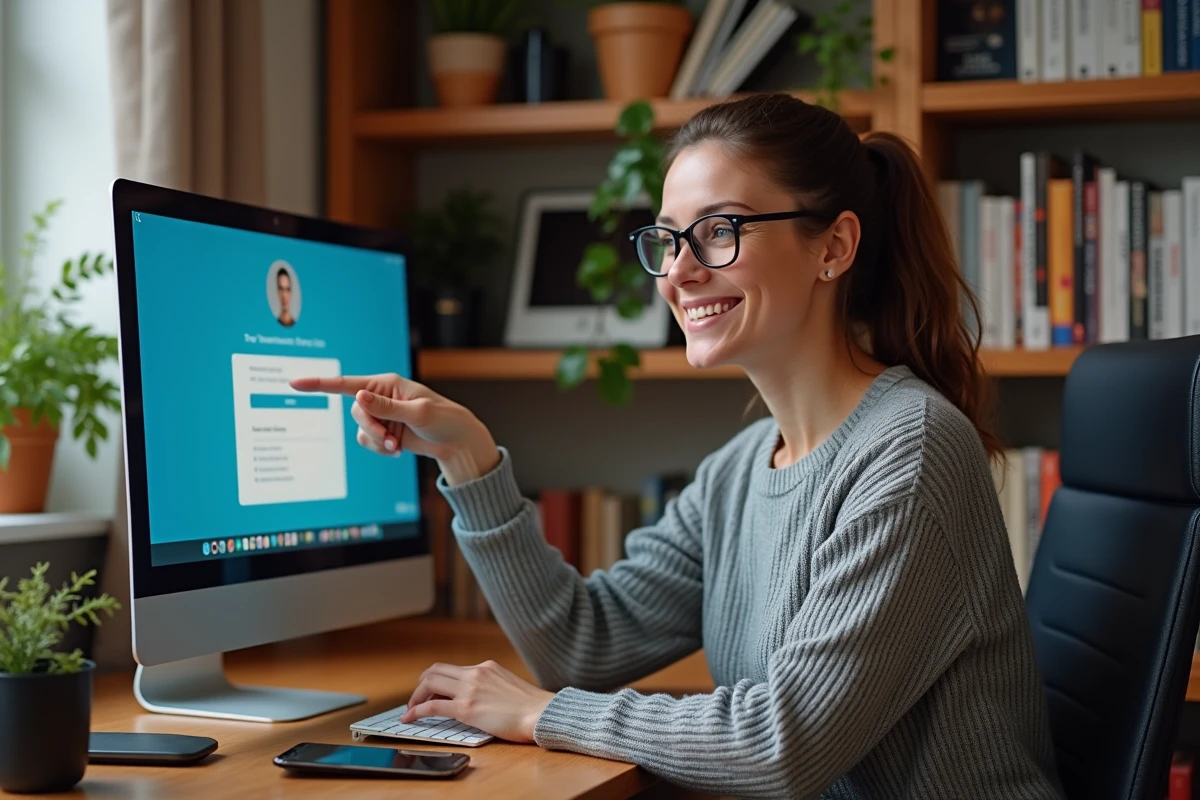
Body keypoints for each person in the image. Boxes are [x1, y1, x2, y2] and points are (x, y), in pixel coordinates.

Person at [291, 93, 1064, 798]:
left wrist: (541, 714)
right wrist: (467, 456)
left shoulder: (912, 449)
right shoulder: (741, 469)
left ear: (834, 247)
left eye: (719, 231)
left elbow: (781, 744)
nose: (679, 271)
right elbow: (582, 645)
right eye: (666, 239)